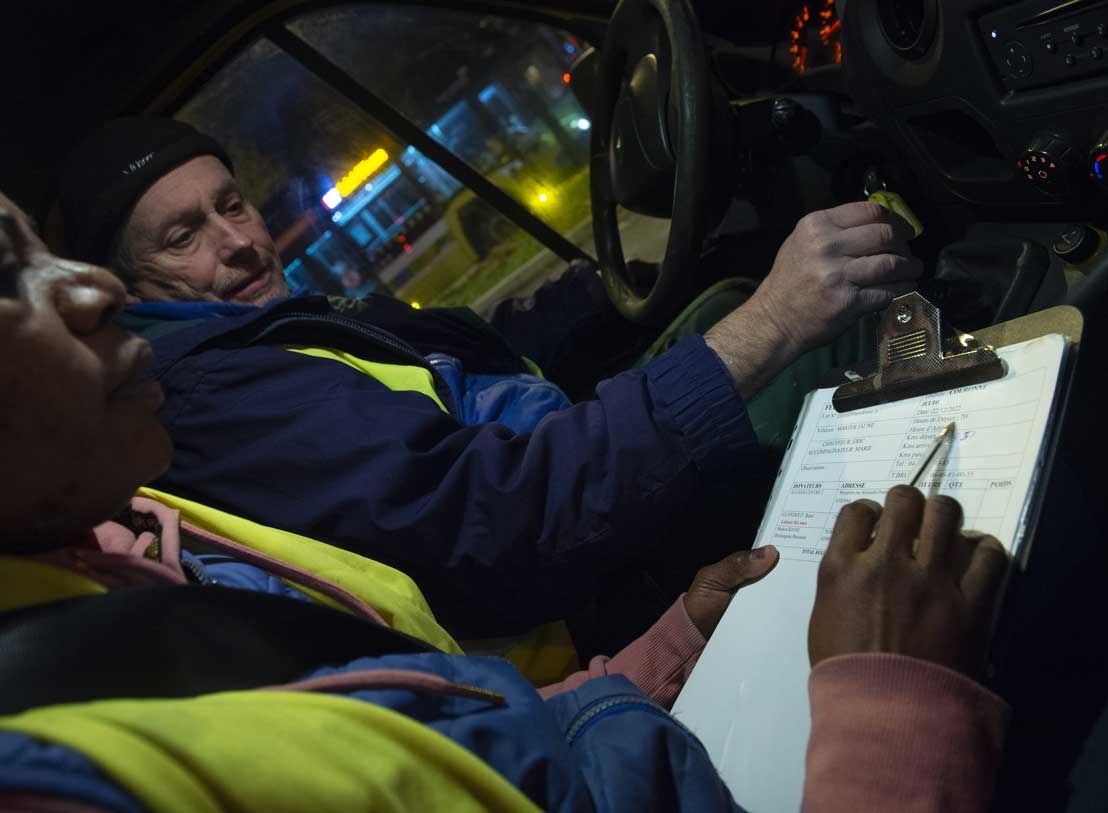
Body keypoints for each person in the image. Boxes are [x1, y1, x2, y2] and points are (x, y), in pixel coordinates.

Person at [0, 119, 1010, 812]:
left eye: (232, 204)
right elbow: (495, 523)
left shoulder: (113, 558)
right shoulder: (27, 750)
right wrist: (887, 706)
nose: (90, 295)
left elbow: (461, 729)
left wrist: (661, 654)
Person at [56, 118, 922, 653]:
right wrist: (768, 327)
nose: (238, 241)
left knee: (732, 295)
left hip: (582, 472)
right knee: (812, 341)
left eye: (232, 204)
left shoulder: (267, 325)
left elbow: (460, 354)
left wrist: (594, 289)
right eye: (182, 236)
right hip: (605, 583)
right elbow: (503, 514)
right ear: (126, 291)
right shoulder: (218, 393)